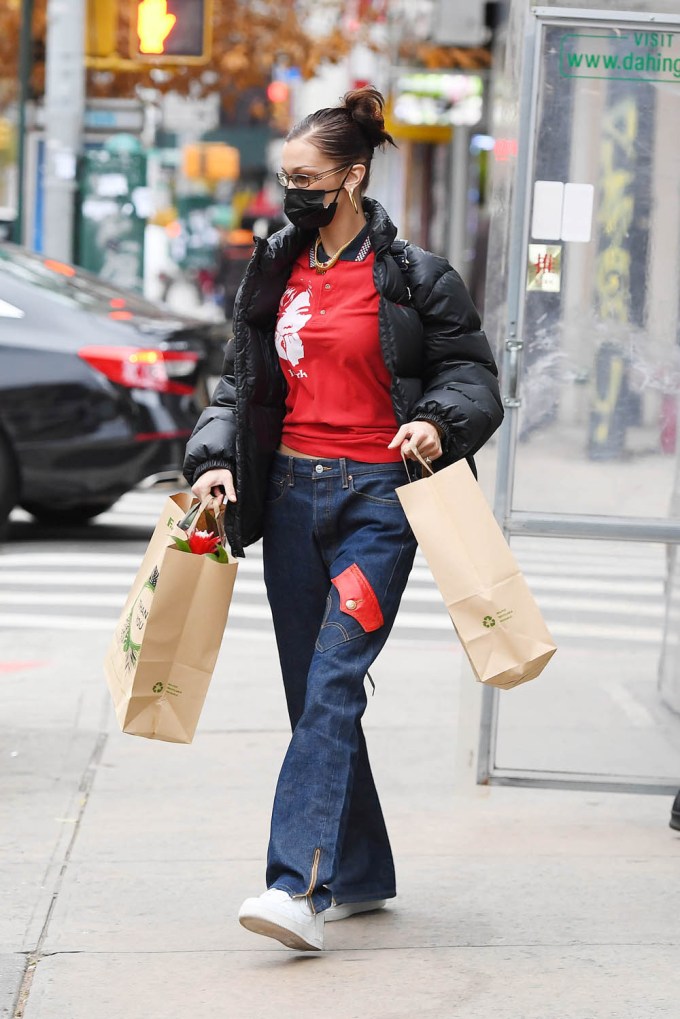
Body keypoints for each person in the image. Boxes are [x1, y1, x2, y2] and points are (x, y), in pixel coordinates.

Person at [183, 86, 504, 952]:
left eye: (307, 177)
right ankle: (363, 872)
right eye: (285, 176)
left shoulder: (414, 276)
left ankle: (298, 884)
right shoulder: (277, 267)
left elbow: (472, 377)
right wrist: (215, 461)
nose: (292, 192)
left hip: (379, 503)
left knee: (332, 680)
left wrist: (438, 419)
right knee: (310, 694)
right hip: (289, 498)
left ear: (353, 178)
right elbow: (241, 381)